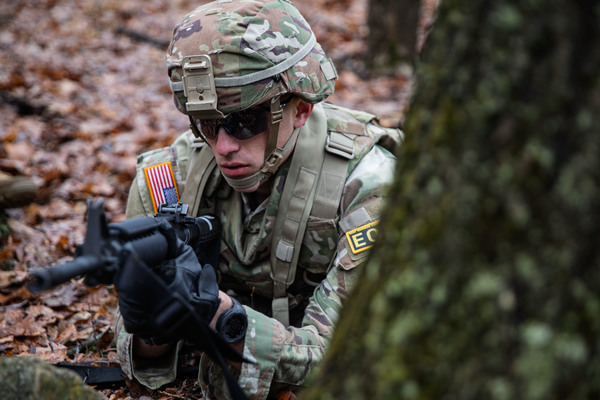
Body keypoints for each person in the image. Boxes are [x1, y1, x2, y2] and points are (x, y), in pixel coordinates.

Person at [114, 0, 402, 399]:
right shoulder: (168, 181)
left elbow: (346, 353)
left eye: (243, 121)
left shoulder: (368, 184)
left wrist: (219, 317)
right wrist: (154, 324)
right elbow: (138, 348)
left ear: (300, 109)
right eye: (207, 124)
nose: (224, 146)